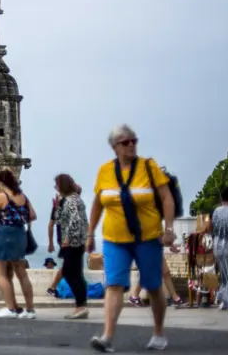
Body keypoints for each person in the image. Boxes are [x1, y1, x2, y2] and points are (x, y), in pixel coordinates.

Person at [88, 123, 176, 353]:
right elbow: (98, 204)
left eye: (134, 140)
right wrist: (90, 233)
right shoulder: (105, 171)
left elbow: (166, 198)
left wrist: (169, 228)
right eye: (126, 142)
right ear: (115, 147)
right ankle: (107, 336)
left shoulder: (148, 167)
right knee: (114, 285)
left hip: (147, 237)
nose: (131, 145)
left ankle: (158, 332)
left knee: (154, 285)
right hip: (115, 239)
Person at [0, 168, 37, 319]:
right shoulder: (23, 197)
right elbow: (33, 215)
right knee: (22, 273)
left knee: (0, 271)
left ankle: (10, 308)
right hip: (20, 235)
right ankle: (30, 310)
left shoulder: (2, 196)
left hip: (5, 234)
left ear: (1, 183)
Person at [54, 173, 90, 319]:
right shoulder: (74, 199)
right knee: (76, 273)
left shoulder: (71, 201)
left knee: (70, 273)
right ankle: (81, 305)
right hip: (78, 242)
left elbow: (74, 220)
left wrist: (67, 238)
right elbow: (60, 218)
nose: (55, 187)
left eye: (57, 184)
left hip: (72, 243)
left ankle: (80, 305)